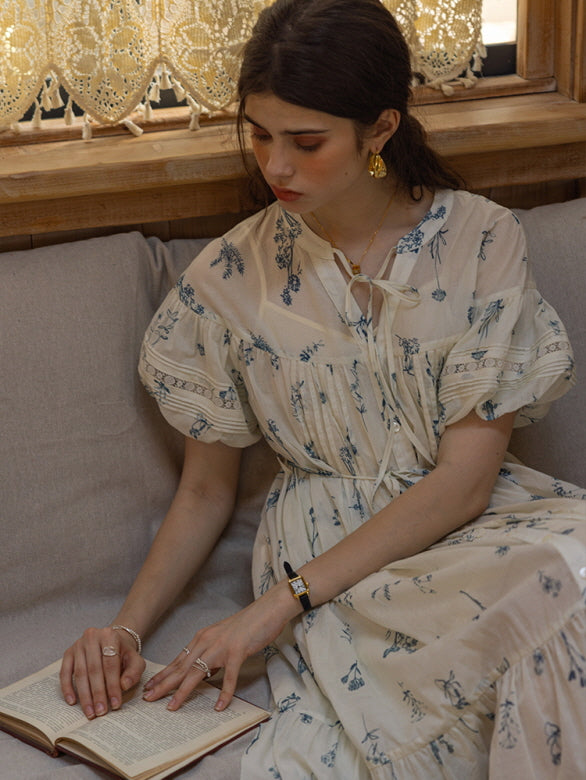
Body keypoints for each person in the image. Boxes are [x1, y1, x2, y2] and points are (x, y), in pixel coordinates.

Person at [60, 0, 586, 776]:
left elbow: (465, 483)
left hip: (466, 529)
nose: (275, 166)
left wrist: (271, 609)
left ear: (380, 129)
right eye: (261, 135)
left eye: (306, 143)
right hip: (335, 561)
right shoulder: (230, 278)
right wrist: (125, 631)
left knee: (568, 579)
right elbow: (206, 494)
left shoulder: (481, 240)